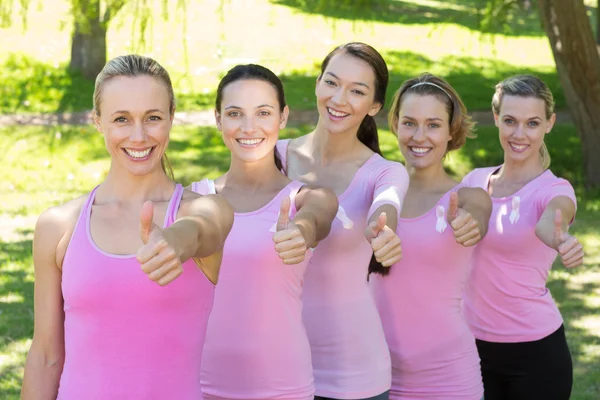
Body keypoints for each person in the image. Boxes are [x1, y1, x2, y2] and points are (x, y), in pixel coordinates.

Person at [20, 54, 234, 400]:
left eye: (152, 118)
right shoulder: (58, 227)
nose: (138, 136)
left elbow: (203, 228)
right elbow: (45, 356)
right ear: (98, 121)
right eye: (122, 119)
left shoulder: (204, 209)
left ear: (171, 119)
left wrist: (176, 241)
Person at [190, 64, 339, 400]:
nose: (249, 127)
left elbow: (317, 218)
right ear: (218, 119)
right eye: (234, 113)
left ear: (282, 118)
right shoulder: (192, 198)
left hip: (282, 388)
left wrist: (300, 231)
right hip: (198, 386)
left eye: (263, 113)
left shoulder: (306, 198)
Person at [276, 42, 409, 400]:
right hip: (273, 367)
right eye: (332, 83)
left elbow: (388, 205)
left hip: (354, 375)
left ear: (375, 106)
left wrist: (384, 232)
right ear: (318, 84)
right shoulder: (272, 155)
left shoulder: (385, 173)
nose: (339, 98)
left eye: (357, 91)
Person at [461, 74, 585, 400]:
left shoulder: (555, 189)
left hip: (536, 355)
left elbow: (552, 220)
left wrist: (561, 239)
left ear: (549, 123)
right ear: (496, 120)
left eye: (532, 123)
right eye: (510, 121)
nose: (519, 134)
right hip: (469, 349)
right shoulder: (474, 181)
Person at [370, 73, 491, 399]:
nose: (419, 136)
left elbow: (478, 213)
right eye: (410, 123)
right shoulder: (374, 189)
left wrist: (470, 223)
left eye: (433, 125)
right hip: (372, 377)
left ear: (451, 130)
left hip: (448, 378)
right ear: (395, 123)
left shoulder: (466, 196)